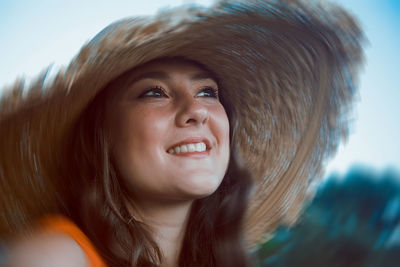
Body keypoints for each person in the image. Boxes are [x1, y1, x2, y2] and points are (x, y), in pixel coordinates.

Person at [0, 0, 364, 266]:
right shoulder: (53, 257)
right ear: (103, 136)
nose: (196, 111)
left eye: (208, 92)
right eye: (153, 92)